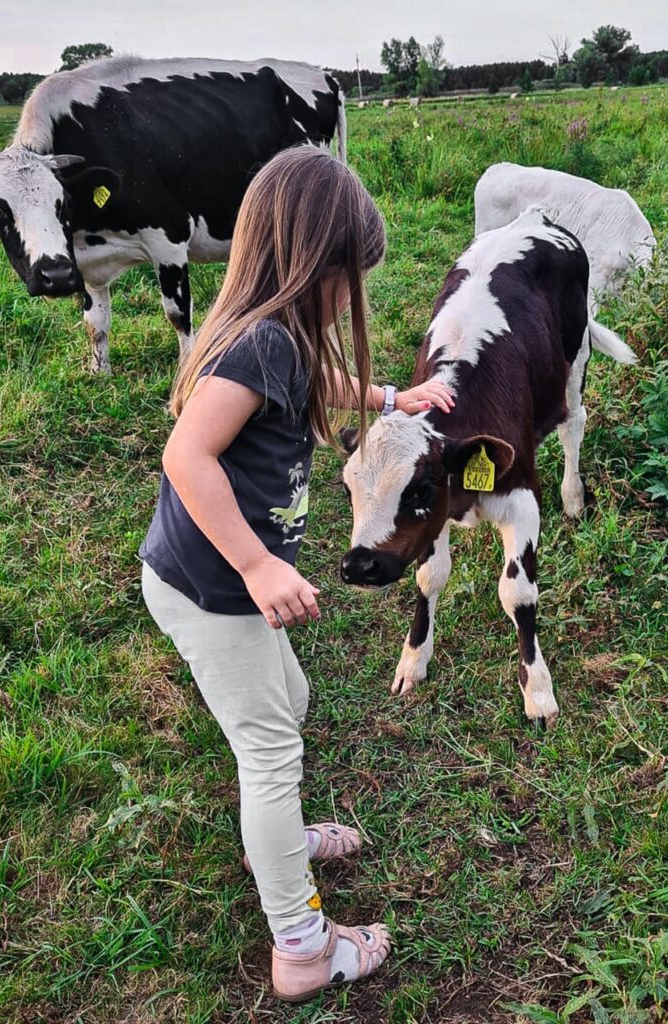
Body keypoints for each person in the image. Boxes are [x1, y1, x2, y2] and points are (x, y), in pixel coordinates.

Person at [138, 146, 454, 1003]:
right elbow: (186, 454)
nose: (350, 292)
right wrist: (256, 564)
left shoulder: (277, 339)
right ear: (313, 260)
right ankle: (304, 949)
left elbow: (321, 383)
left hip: (218, 586)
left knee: (295, 705)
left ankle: (273, 839)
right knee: (270, 751)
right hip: (214, 589)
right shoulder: (262, 342)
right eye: (347, 274)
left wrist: (393, 397)